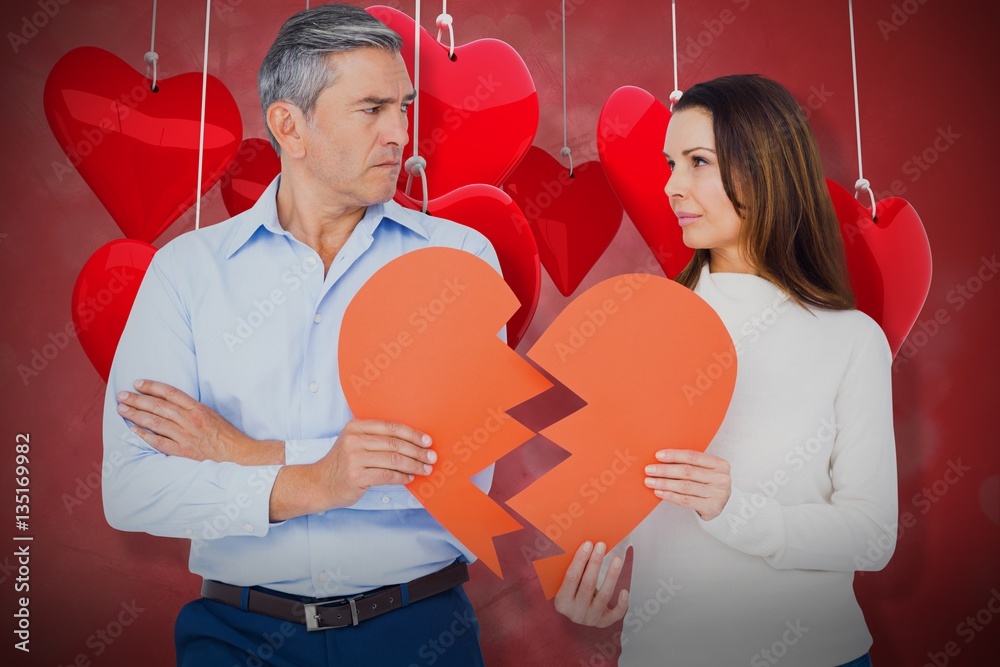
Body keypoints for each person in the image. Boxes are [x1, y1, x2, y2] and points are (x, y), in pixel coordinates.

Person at [102, 5, 497, 666]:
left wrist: (235, 449)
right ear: (290, 125)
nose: (400, 133)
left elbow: (459, 475)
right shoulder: (186, 273)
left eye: (404, 107)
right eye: (371, 109)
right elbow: (133, 488)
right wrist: (317, 479)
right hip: (234, 637)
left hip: (419, 632)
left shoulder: (460, 259)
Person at [554, 74, 897, 667]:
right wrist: (580, 578)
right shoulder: (637, 329)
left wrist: (734, 509)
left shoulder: (851, 341)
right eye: (669, 164)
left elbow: (871, 535)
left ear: (766, 169)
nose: (671, 187)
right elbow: (611, 497)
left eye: (697, 162)